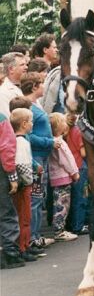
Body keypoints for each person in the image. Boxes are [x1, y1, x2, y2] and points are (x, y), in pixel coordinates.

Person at [20, 73, 57, 250]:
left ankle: (35, 234)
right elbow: (29, 135)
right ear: (34, 87)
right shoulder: (29, 108)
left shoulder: (36, 104)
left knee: (38, 197)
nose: (44, 86)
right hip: (36, 157)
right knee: (35, 198)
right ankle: (33, 237)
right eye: (41, 83)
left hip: (42, 155)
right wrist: (50, 142)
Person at [9, 107, 39, 262]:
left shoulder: (21, 140)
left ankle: (25, 245)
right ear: (24, 124)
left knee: (25, 216)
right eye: (31, 121)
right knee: (24, 217)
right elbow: (21, 165)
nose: (32, 124)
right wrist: (29, 180)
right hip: (24, 186)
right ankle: (22, 247)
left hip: (25, 184)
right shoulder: (21, 142)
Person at [0, 111, 27, 269]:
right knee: (6, 212)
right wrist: (12, 176)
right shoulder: (2, 119)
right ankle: (10, 254)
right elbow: (7, 148)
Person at [48, 113, 80, 241]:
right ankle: (59, 231)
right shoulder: (59, 142)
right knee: (63, 204)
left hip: (57, 177)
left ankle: (59, 229)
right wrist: (74, 172)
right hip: (63, 177)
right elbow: (66, 160)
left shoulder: (54, 141)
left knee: (59, 202)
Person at [65, 112, 90, 234]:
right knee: (81, 196)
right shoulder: (77, 131)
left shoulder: (66, 131)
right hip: (80, 166)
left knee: (72, 197)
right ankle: (78, 225)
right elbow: (83, 153)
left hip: (69, 167)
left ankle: (71, 223)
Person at [0, 52, 26, 118]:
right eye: (22, 65)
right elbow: (7, 120)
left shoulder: (25, 87)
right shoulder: (3, 93)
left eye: (26, 64)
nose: (26, 67)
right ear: (11, 69)